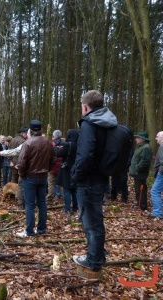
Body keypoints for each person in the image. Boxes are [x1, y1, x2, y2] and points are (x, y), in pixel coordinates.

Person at [71, 90, 118, 272]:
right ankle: (98, 253)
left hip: (88, 181)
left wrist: (76, 176)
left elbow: (85, 155)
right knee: (96, 221)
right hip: (101, 178)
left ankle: (93, 260)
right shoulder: (108, 123)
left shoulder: (89, 124)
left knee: (91, 223)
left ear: (85, 106)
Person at [15, 120, 55, 238]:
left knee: (30, 204)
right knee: (42, 203)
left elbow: (21, 163)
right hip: (42, 177)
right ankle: (41, 229)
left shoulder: (28, 143)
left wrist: (22, 174)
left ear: (30, 131)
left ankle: (29, 231)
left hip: (30, 177)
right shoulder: (47, 142)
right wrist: (46, 170)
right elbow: (53, 159)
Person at [56, 129, 79, 213]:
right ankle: (76, 207)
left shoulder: (68, 145)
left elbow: (59, 154)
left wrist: (57, 148)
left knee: (67, 189)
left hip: (67, 169)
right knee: (74, 189)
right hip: (76, 168)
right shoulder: (79, 144)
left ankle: (67, 209)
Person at [128, 131, 152, 210]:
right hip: (137, 172)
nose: (136, 139)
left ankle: (142, 206)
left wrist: (137, 169)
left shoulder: (146, 148)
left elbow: (145, 161)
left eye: (138, 138)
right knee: (137, 189)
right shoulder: (140, 146)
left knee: (141, 189)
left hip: (141, 173)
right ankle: (139, 203)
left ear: (143, 139)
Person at [149, 131, 163, 219]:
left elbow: (162, 160)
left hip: (162, 173)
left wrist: (159, 171)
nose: (155, 138)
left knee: (154, 191)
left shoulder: (162, 146)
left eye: (157, 136)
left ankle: (157, 212)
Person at [47, 130, 63, 205]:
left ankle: (50, 200)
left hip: (52, 167)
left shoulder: (51, 144)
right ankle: (63, 199)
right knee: (62, 184)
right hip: (61, 167)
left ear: (54, 136)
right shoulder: (64, 143)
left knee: (51, 184)